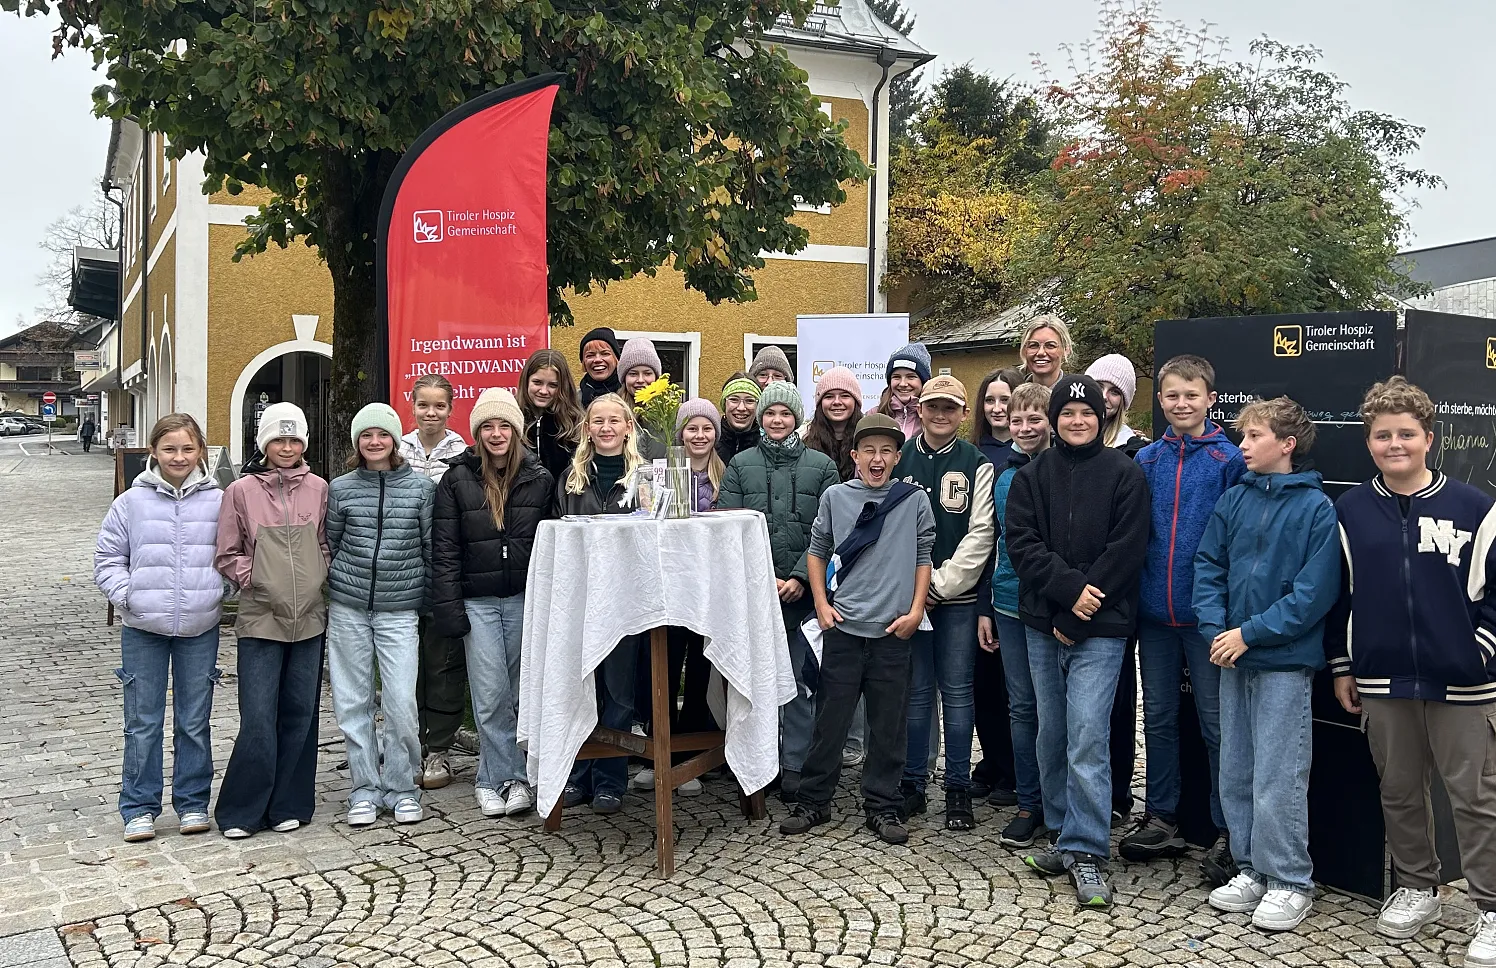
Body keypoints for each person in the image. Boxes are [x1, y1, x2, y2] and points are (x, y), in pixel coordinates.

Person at [1329, 377, 1496, 963]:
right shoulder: (1349, 510)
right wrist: (1344, 663)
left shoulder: (1475, 508)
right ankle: (1416, 887)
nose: (1394, 444)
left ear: (1429, 438)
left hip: (1465, 681)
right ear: (1368, 443)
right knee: (1400, 792)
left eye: (1405, 433)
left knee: (1475, 798)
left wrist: (1479, 650)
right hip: (1381, 679)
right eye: (1382, 435)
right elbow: (1340, 596)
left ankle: (1492, 907)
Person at [1194, 396, 1339, 932]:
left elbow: (1312, 595)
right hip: (1232, 656)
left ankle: (1290, 880)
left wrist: (1249, 634)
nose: (1243, 445)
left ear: (1287, 444)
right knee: (1237, 767)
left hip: (1281, 662)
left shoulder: (1316, 509)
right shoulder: (1234, 499)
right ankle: (1252, 867)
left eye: (1254, 436)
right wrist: (1217, 631)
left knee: (1278, 773)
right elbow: (1208, 565)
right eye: (1241, 435)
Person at [1006, 375, 1149, 908]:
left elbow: (1128, 547)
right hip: (1044, 622)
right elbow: (1022, 545)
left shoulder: (1125, 474)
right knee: (1053, 732)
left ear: (1102, 416)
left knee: (1088, 735)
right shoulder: (1031, 477)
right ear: (1054, 418)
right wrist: (1068, 595)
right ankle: (1063, 832)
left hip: (1103, 627)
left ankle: (1088, 850)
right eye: (1066, 412)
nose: (1076, 420)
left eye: (1086, 412)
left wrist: (1086, 608)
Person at [781, 413, 936, 845]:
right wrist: (820, 604)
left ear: (897, 457)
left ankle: (883, 806)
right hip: (844, 629)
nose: (877, 458)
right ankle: (814, 800)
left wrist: (916, 610)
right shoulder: (835, 496)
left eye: (887, 450)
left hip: (892, 630)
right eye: (869, 450)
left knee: (888, 725)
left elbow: (924, 557)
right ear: (854, 455)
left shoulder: (913, 501)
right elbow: (817, 551)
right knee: (830, 720)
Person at [1123, 355, 1244, 883]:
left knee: (1217, 725)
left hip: (1206, 617)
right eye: (1171, 395)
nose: (1181, 404)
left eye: (1191, 395)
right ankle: (1163, 814)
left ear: (1210, 399)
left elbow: (1236, 542)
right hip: (1154, 613)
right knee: (1161, 719)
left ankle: (1228, 830)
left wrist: (1221, 609)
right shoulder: (1147, 460)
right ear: (1161, 401)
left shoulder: (1228, 460)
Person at [94, 413, 223, 843]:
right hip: (143, 627)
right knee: (142, 721)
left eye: (188, 448)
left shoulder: (218, 500)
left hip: (200, 625)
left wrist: (217, 590)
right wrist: (127, 594)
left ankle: (192, 802)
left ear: (200, 451)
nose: (179, 457)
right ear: (154, 452)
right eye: (169, 449)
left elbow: (234, 552)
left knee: (194, 721)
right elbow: (107, 558)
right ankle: (139, 807)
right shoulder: (131, 502)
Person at [434, 387, 554, 818]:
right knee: (489, 695)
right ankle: (499, 780)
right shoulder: (456, 478)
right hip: (477, 602)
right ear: (477, 432)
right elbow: (444, 548)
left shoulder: (539, 478)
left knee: (523, 694)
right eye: (488, 426)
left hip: (525, 598)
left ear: (517, 432)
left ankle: (511, 778)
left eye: (505, 425)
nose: (497, 433)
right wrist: (449, 606)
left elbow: (550, 545)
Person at [720, 381, 841, 802]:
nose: (776, 420)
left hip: (803, 595)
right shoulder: (739, 464)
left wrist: (797, 577)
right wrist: (764, 577)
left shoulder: (823, 466)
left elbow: (826, 529)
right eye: (769, 413)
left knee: (798, 682)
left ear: (796, 418)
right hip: (755, 592)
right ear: (760, 417)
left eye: (785, 414)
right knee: (755, 685)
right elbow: (729, 524)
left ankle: (794, 765)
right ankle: (758, 764)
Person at [213, 402, 329, 839]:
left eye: (293, 439)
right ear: (264, 444)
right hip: (261, 617)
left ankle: (289, 802)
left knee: (300, 712)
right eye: (278, 440)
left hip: (309, 619)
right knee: (259, 716)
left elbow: (324, 542)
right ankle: (242, 809)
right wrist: (259, 578)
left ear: (303, 443)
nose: (286, 447)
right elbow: (227, 552)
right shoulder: (241, 491)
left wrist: (318, 574)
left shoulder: (319, 488)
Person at [893, 375, 996, 832]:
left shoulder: (977, 462)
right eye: (933, 406)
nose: (940, 415)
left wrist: (940, 585)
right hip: (908, 596)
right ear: (920, 408)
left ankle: (957, 786)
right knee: (915, 695)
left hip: (956, 599)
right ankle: (914, 782)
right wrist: (916, 587)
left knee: (956, 694)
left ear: (961, 413)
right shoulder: (900, 456)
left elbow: (981, 535)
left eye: (950, 408)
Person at [325, 403, 433, 827]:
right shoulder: (342, 488)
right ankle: (364, 788)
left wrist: (423, 599)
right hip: (349, 607)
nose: (374, 442)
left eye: (382, 434)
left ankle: (402, 786)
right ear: (357, 441)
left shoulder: (421, 489)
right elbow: (331, 541)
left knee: (401, 702)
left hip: (399, 610)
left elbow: (429, 547)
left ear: (395, 440)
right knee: (352, 703)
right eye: (366, 435)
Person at [631, 399, 726, 797]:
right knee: (664, 671)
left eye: (707, 429)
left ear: (715, 435)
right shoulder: (663, 474)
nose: (699, 436)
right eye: (692, 428)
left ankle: (692, 759)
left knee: (704, 672)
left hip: (709, 590)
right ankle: (661, 756)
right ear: (680, 434)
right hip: (668, 589)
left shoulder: (727, 475)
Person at [559, 393, 648, 812]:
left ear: (628, 427)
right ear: (587, 429)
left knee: (618, 692)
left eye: (616, 420)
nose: (607, 427)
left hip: (627, 601)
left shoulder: (645, 478)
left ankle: (611, 779)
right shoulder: (571, 478)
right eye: (598, 420)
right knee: (581, 687)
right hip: (581, 598)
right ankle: (577, 775)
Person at [984, 381, 1051, 849]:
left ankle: (1059, 803)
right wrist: (988, 604)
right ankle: (1029, 802)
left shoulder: (1063, 468)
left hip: (1051, 606)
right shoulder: (1003, 474)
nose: (1024, 428)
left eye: (1034, 419)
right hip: (1008, 603)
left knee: (1057, 710)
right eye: (1016, 419)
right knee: (1022, 707)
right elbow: (996, 543)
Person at [1084, 352, 1149, 829]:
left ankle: (1118, 790)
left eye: (1113, 392)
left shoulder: (1137, 453)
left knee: (1119, 698)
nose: (1104, 399)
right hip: (1071, 596)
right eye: (1098, 389)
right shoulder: (1067, 443)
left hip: (1118, 594)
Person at [399, 373, 470, 792]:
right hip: (403, 569)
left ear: (450, 409)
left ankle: (440, 746)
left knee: (442, 661)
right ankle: (408, 742)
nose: (431, 413)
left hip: (446, 567)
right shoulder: (397, 449)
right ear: (412, 406)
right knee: (404, 664)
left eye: (439, 406)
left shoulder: (463, 452)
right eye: (423, 405)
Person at [970, 367, 1024, 808]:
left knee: (1016, 689)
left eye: (1005, 400)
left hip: (1012, 587)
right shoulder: (974, 453)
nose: (998, 408)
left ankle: (1014, 771)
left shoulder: (1024, 455)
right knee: (983, 684)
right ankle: (990, 764)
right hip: (980, 584)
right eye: (990, 400)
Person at [518, 349, 585, 481]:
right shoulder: (512, 419)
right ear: (526, 381)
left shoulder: (576, 423)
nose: (543, 391)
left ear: (563, 387)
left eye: (553, 385)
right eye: (537, 382)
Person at [803, 366, 864, 483]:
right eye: (829, 396)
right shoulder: (804, 441)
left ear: (855, 401)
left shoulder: (867, 437)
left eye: (845, 396)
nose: (836, 402)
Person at [1086, 354, 1148, 454]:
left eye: (1115, 392)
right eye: (1099, 386)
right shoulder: (1062, 438)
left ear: (1123, 403)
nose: (1104, 396)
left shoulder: (1132, 451)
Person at [616, 337, 667, 458]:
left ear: (656, 377)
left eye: (647, 373)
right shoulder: (615, 412)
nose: (640, 380)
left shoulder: (669, 415)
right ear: (624, 378)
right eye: (633, 374)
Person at [876, 343, 931, 443]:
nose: (903, 384)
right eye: (896, 377)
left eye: (911, 377)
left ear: (924, 381)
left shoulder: (932, 417)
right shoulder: (874, 415)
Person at [717, 373, 762, 463]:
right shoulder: (709, 442)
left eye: (749, 401)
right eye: (734, 400)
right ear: (724, 404)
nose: (741, 408)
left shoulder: (767, 447)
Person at [1018, 318, 1072, 388]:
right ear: (1024, 350)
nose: (1041, 352)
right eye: (1033, 345)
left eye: (1050, 345)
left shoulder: (1076, 395)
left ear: (1066, 350)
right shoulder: (1010, 393)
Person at [578, 327, 623, 405]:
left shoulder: (630, 396)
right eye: (590, 355)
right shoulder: (573, 401)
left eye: (605, 353)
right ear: (583, 362)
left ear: (616, 359)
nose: (597, 360)